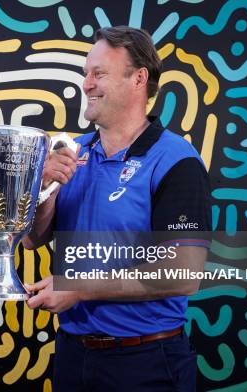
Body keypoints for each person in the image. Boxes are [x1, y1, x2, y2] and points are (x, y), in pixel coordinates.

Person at [23, 26, 211, 391]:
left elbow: (184, 273)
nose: (86, 84)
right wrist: (46, 188)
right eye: (85, 74)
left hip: (146, 362)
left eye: (99, 73)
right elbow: (34, 239)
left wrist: (77, 288)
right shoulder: (71, 151)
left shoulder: (175, 160)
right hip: (73, 357)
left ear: (139, 78)